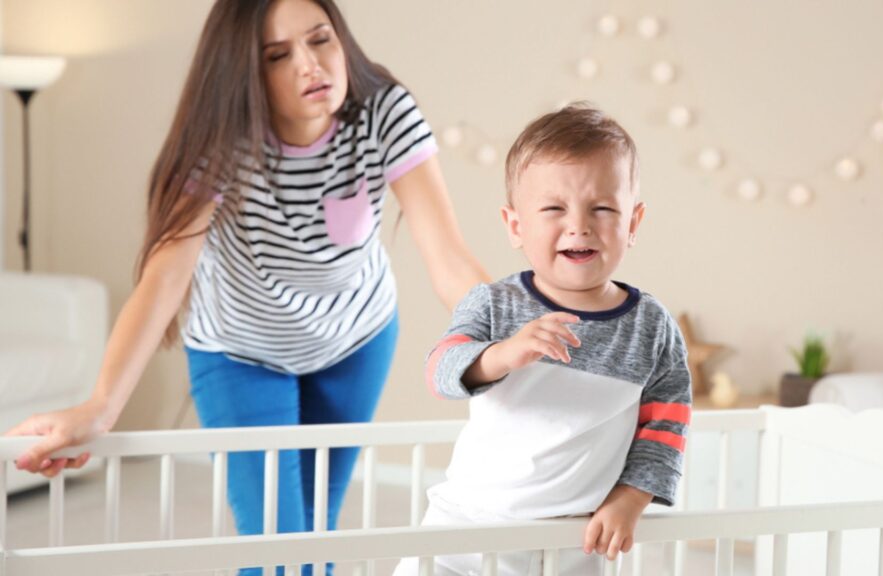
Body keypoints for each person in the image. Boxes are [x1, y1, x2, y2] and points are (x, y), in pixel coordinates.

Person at [6, 0, 487, 574]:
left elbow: (449, 259)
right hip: (240, 352)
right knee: (277, 549)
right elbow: (165, 278)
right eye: (277, 55)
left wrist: (514, 338)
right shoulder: (221, 142)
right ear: (245, 72)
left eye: (320, 39)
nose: (310, 65)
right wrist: (100, 407)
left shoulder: (384, 111)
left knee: (315, 539)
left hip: (354, 339)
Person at [393, 104, 692, 576]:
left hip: (571, 543)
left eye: (602, 208)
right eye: (554, 208)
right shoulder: (493, 304)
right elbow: (439, 371)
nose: (579, 225)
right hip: (465, 530)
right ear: (516, 226)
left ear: (633, 224)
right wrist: (501, 355)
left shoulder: (651, 327)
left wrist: (630, 497)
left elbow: (666, 425)